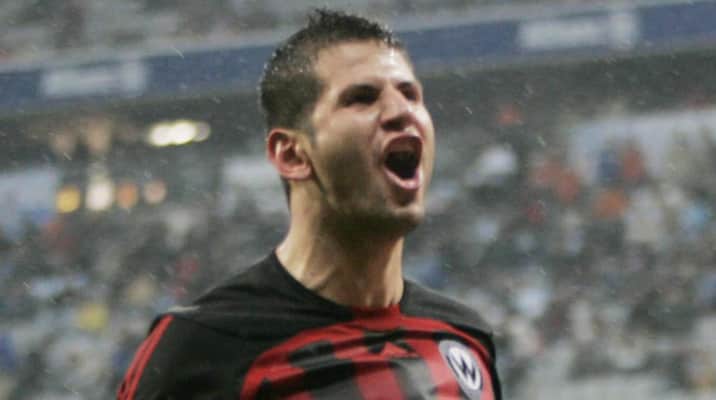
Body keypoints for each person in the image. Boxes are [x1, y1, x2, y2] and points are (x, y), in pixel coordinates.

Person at [117, 9, 502, 399]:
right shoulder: (205, 348)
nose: (401, 111)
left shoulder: (463, 336)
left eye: (410, 94)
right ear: (292, 155)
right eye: (362, 98)